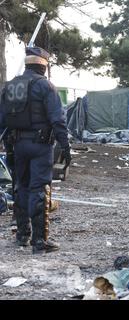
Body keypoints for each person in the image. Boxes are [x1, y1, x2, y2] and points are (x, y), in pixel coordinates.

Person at [0, 47, 71, 253]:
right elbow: (57, 120)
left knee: (20, 187)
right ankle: (40, 242)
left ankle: (22, 235)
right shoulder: (46, 86)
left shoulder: (11, 86)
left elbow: (2, 119)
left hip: (17, 145)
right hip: (41, 146)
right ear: (43, 65)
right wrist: (65, 146)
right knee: (39, 189)